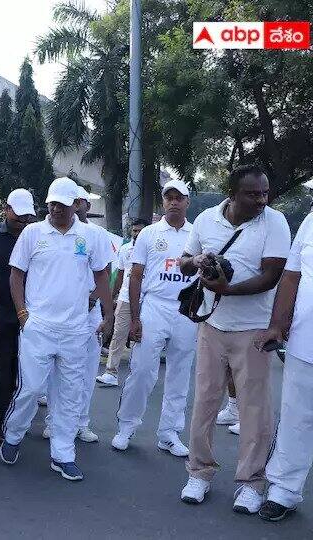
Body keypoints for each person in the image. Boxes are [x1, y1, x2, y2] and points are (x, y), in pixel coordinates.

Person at [179, 164, 290, 512]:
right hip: (211, 327)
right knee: (205, 403)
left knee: (254, 410)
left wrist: (228, 289)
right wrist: (197, 259)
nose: (261, 200)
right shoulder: (206, 219)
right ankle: (199, 473)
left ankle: (251, 483)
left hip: (254, 329)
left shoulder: (275, 221)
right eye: (252, 193)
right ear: (233, 193)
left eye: (264, 193)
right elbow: (182, 262)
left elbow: (272, 275)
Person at [0, 177, 114, 482]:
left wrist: (109, 314)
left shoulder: (91, 237)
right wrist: (24, 314)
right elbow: (15, 276)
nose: (56, 209)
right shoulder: (33, 233)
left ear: (77, 204)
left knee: (70, 395)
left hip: (76, 331)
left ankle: (63, 454)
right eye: (52, 203)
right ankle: (13, 433)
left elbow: (103, 276)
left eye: (62, 204)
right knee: (32, 388)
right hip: (39, 327)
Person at [112, 180, 197, 457]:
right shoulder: (148, 233)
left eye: (179, 198)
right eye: (168, 197)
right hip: (155, 307)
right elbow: (135, 275)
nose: (174, 202)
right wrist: (135, 318)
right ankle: (126, 426)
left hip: (186, 310)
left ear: (187, 201)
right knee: (142, 370)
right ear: (163, 202)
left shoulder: (197, 234)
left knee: (179, 373)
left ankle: (169, 433)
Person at [256, 212, 313, 522]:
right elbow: (292, 275)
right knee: (296, 418)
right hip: (306, 342)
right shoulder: (311, 221)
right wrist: (278, 324)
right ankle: (284, 491)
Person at [0, 189, 37, 442]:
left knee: (28, 371)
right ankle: (0, 419)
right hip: (3, 312)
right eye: (19, 216)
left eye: (27, 217)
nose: (23, 221)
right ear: (6, 209)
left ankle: (21, 418)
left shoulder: (36, 235)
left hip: (36, 314)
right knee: (3, 369)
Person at [66, 185, 116, 443]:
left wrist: (95, 299)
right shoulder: (53, 230)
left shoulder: (97, 234)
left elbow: (104, 271)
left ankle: (81, 422)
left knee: (86, 370)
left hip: (90, 312)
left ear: (86, 204)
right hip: (63, 313)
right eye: (70, 200)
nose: (74, 205)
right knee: (61, 371)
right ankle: (57, 420)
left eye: (79, 201)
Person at [97, 218, 150, 387]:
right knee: (118, 334)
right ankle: (111, 372)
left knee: (144, 338)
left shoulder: (153, 249)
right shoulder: (125, 249)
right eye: (134, 231)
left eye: (140, 230)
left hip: (147, 299)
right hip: (125, 298)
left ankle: (140, 375)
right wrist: (112, 297)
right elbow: (120, 274)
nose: (137, 234)